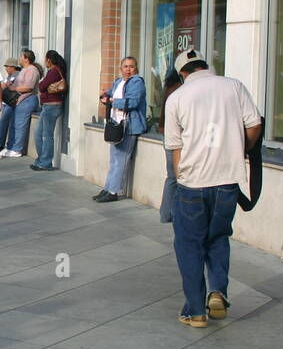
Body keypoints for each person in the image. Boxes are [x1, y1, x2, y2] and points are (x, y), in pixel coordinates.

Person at [163, 48, 263, 328]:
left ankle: (195, 310)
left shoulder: (177, 97)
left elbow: (175, 148)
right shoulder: (234, 86)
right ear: (205, 66)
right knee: (218, 237)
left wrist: (180, 178)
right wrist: (239, 148)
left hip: (193, 184)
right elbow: (254, 125)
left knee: (189, 245)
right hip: (227, 182)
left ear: (183, 73)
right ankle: (217, 291)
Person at [93, 56, 148, 203]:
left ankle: (113, 191)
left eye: (131, 66)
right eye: (125, 66)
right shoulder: (118, 81)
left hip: (130, 126)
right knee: (113, 160)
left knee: (121, 160)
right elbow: (110, 92)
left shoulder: (137, 82)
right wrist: (104, 95)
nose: (128, 69)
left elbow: (133, 102)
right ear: (121, 68)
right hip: (117, 125)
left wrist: (112, 101)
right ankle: (107, 187)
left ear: (135, 68)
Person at [31, 50, 68, 171]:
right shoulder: (54, 71)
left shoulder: (53, 72)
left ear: (49, 60)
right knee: (38, 134)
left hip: (52, 106)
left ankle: (45, 163)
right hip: (48, 106)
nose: (44, 62)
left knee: (47, 135)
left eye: (45, 59)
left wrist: (42, 84)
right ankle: (42, 160)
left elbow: (41, 87)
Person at [3, 50, 41, 158]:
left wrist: (14, 88)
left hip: (27, 99)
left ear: (26, 58)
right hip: (20, 100)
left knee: (20, 124)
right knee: (14, 124)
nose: (19, 58)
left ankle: (17, 149)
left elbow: (29, 87)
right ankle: (10, 146)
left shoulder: (32, 70)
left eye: (21, 56)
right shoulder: (25, 70)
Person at [159, 69, 184, 223]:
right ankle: (170, 213)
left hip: (167, 135)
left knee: (171, 177)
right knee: (176, 177)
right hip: (175, 137)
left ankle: (165, 212)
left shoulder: (169, 88)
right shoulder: (179, 90)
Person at [0, 58, 22, 154]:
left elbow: (3, 86)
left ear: (12, 67)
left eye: (7, 66)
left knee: (3, 122)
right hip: (8, 102)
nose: (6, 69)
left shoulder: (16, 75)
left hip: (11, 103)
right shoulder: (10, 75)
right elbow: (2, 85)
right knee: (3, 122)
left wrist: (3, 86)